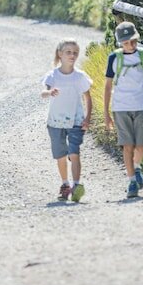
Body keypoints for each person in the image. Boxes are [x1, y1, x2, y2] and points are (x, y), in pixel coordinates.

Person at [103, 21, 143, 198]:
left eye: (133, 41)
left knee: (140, 146)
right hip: (120, 107)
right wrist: (106, 113)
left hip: (140, 105)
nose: (130, 45)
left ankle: (137, 168)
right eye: (126, 42)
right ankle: (132, 182)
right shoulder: (114, 58)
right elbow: (107, 86)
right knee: (128, 146)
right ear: (120, 42)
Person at [41, 38, 93, 202]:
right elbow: (43, 92)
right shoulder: (53, 75)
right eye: (68, 52)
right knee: (61, 156)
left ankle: (76, 186)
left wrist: (87, 118)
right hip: (55, 122)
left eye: (75, 53)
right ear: (60, 54)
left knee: (74, 153)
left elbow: (88, 98)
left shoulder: (80, 77)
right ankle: (65, 184)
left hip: (76, 122)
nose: (72, 55)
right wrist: (50, 93)